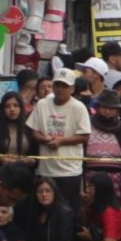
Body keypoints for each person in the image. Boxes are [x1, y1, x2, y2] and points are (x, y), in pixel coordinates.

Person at [29, 67, 92, 211]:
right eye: (57, 85)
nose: (60, 89)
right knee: (44, 210)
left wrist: (61, 141)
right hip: (46, 170)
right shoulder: (42, 104)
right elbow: (34, 132)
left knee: (68, 211)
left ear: (72, 88)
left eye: (65, 86)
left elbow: (85, 136)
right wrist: (45, 140)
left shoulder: (79, 107)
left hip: (69, 171)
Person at [85, 90, 121, 210]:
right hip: (91, 181)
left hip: (117, 182)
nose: (108, 111)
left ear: (117, 110)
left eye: (112, 108)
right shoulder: (87, 125)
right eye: (104, 107)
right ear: (98, 107)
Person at [0, 90, 38, 167]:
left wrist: (32, 161)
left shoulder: (29, 128)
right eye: (7, 106)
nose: (12, 109)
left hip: (25, 171)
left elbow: (37, 155)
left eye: (15, 105)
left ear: (21, 107)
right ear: (2, 109)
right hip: (0, 170)